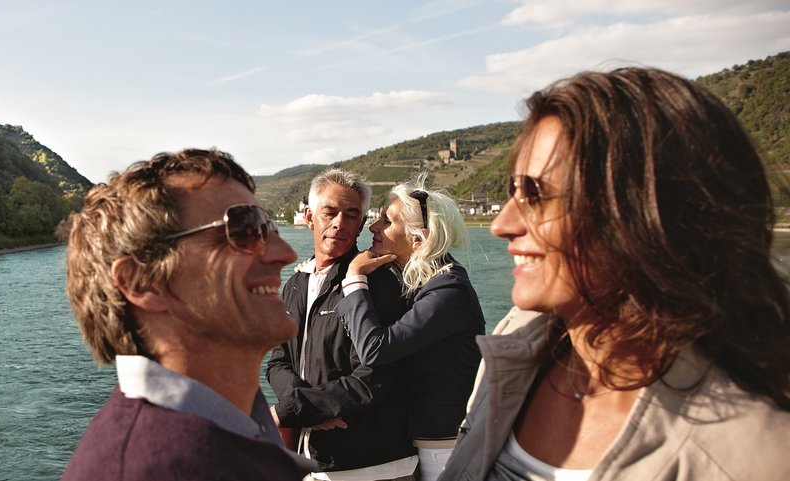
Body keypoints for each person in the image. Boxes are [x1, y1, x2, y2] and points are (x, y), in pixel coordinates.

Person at [441, 68, 790, 480]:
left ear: (651, 212)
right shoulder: (515, 342)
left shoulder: (754, 455)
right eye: (512, 191)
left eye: (537, 195)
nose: (502, 224)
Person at [62, 148, 316, 480]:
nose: (285, 253)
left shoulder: (234, 423)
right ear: (143, 282)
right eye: (244, 229)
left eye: (271, 229)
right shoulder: (153, 469)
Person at [267, 169, 417, 480]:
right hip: (314, 461)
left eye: (351, 215)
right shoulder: (296, 283)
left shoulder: (376, 284)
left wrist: (299, 409)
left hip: (373, 465)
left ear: (362, 224)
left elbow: (374, 376)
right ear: (310, 217)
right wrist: (305, 407)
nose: (339, 223)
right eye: (330, 212)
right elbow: (278, 362)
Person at [336, 180, 485, 481]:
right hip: (427, 440)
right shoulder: (424, 284)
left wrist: (354, 278)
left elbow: (376, 349)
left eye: (387, 221)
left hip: (447, 444)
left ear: (418, 239)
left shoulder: (448, 290)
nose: (373, 227)